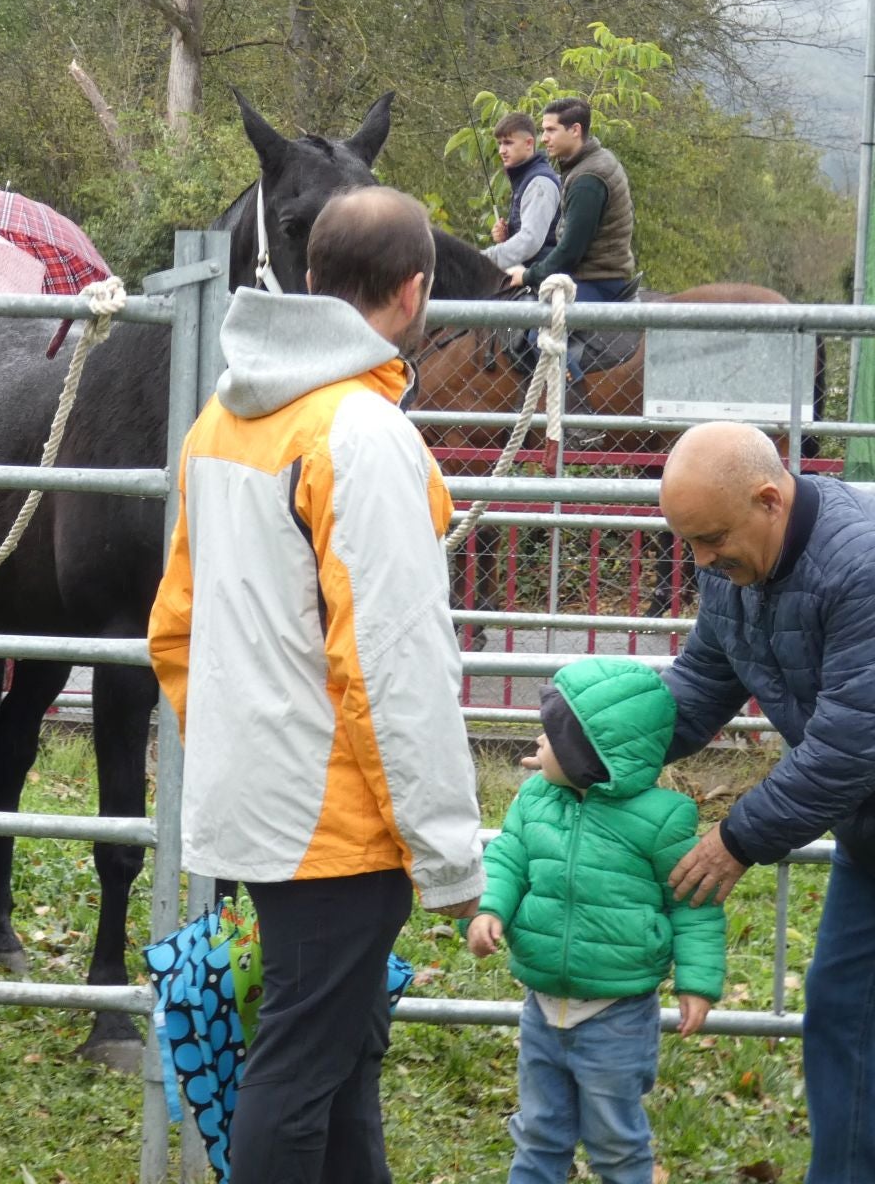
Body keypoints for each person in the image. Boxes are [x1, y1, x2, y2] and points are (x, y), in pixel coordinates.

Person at [148, 185, 486, 1184]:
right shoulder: (363, 436)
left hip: (262, 802)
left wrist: (234, 753)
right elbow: (395, 667)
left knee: (339, 1062)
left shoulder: (223, 419)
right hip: (338, 823)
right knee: (299, 1071)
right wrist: (446, 854)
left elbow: (175, 625)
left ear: (309, 280)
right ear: (414, 293)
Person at [657, 420, 875, 1184]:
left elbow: (852, 744)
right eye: (689, 543)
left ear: (769, 498)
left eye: (711, 538)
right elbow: (698, 689)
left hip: (859, 797)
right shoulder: (733, 571)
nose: (702, 562)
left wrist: (735, 839)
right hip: (870, 838)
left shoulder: (862, 565)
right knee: (844, 1012)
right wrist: (592, 745)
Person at [466, 657, 725, 1184]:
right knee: (539, 1132)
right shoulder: (535, 798)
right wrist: (489, 908)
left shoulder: (661, 819)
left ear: (590, 754)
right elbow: (508, 858)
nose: (538, 743)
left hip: (617, 1013)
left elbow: (692, 901)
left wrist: (698, 980)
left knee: (615, 1142)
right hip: (542, 1005)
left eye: (552, 735)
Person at [502, 97, 637, 403]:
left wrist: (527, 275)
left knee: (541, 336)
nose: (544, 138)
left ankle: (577, 421)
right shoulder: (588, 164)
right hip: (595, 274)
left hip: (598, 280)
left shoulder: (588, 178)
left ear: (575, 130)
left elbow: (569, 253)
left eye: (551, 130)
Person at [484, 111, 560, 274]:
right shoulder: (526, 179)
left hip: (542, 281)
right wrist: (507, 238)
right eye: (499, 144)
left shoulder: (539, 183)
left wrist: (483, 260)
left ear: (529, 143)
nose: (501, 151)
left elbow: (530, 241)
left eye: (508, 143)